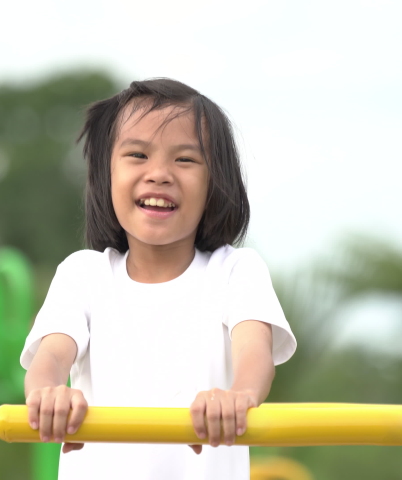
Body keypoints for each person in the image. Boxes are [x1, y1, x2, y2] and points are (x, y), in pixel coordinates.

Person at [20, 78, 297, 480]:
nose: (160, 174)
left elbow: (255, 353)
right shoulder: (83, 275)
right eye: (137, 155)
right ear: (107, 174)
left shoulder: (235, 272)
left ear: (214, 182)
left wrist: (238, 397)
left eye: (185, 160)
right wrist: (46, 393)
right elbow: (51, 357)